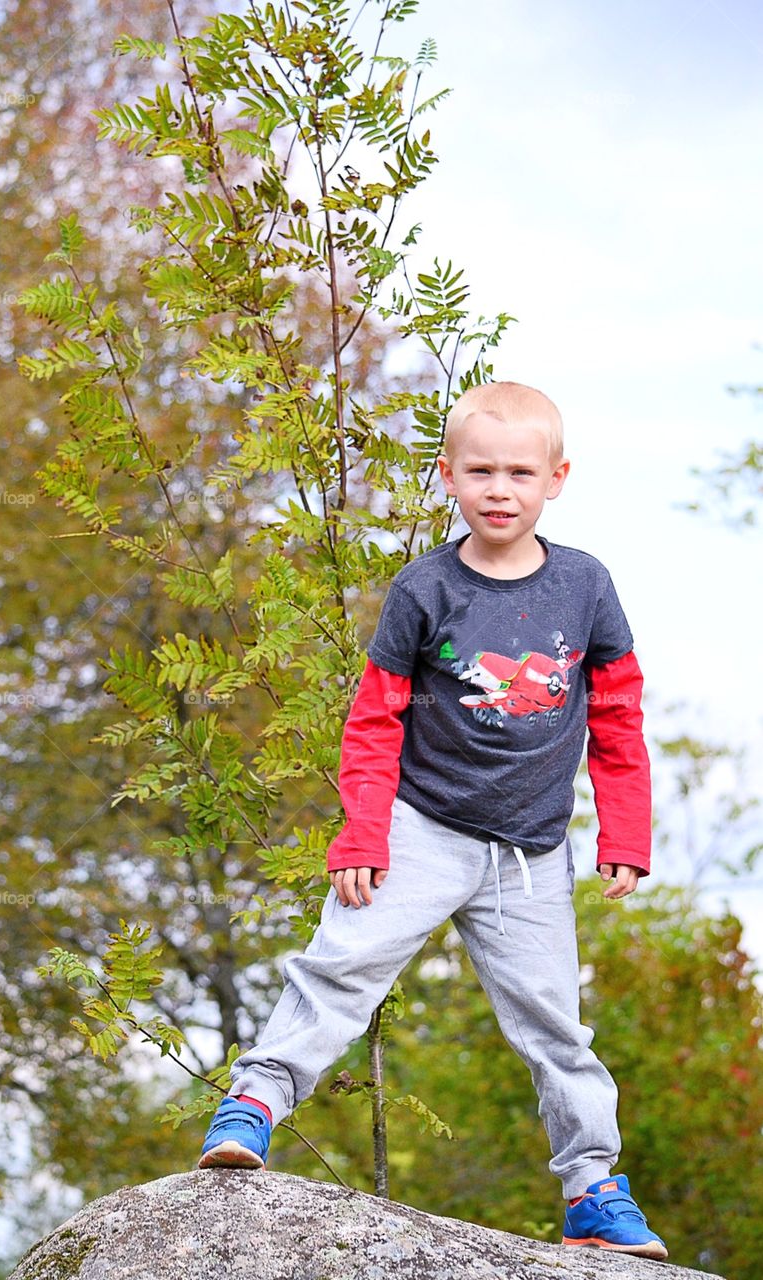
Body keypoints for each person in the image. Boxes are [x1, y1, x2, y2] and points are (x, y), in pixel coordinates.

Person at [197, 381, 667, 1260]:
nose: (499, 488)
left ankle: (594, 1190)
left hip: (529, 852)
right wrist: (361, 833)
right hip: (420, 828)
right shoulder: (424, 589)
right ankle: (253, 1103)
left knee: (556, 1026)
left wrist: (625, 835)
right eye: (480, 470)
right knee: (341, 965)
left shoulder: (584, 586)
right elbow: (373, 722)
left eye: (519, 472)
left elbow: (617, 716)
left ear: (555, 479)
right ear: (447, 475)